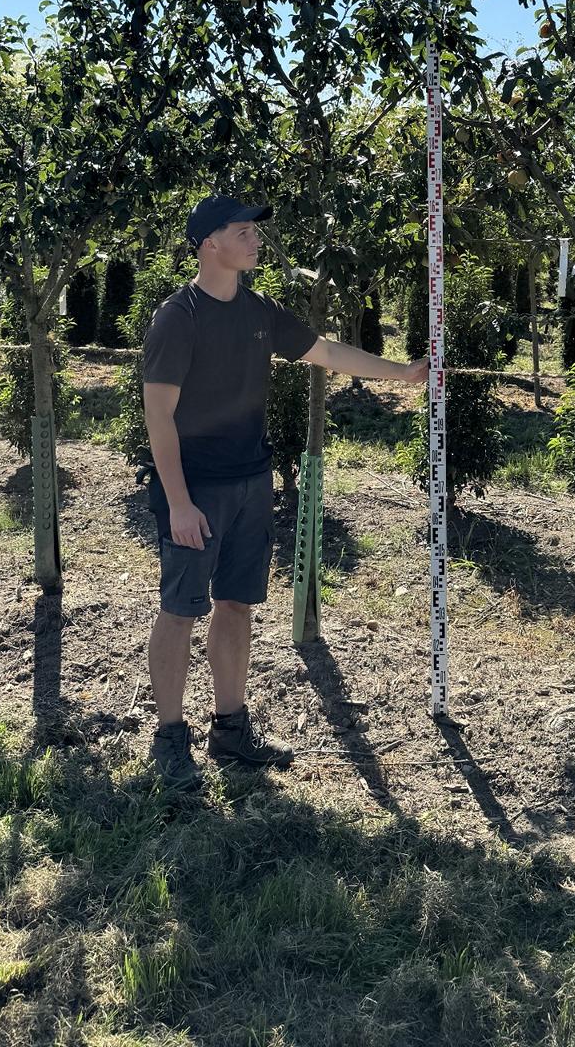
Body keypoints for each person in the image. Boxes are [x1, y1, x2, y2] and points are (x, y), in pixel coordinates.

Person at [141, 194, 429, 791]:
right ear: (208, 244)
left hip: (252, 482)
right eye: (241, 231)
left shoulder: (259, 311)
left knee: (236, 605)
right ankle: (170, 739)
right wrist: (179, 502)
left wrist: (401, 373)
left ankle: (229, 727)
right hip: (196, 490)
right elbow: (159, 418)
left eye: (253, 231)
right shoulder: (179, 318)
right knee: (179, 611)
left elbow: (323, 351)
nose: (254, 240)